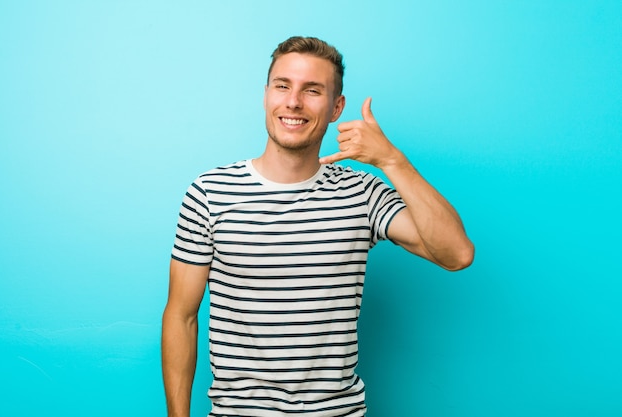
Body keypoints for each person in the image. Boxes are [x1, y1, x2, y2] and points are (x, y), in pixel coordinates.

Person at [162, 36, 474, 417]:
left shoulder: (362, 193)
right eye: (282, 86)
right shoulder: (210, 193)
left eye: (312, 91)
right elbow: (182, 316)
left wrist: (392, 161)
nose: (293, 102)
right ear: (266, 96)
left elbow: (457, 253)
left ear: (336, 107)